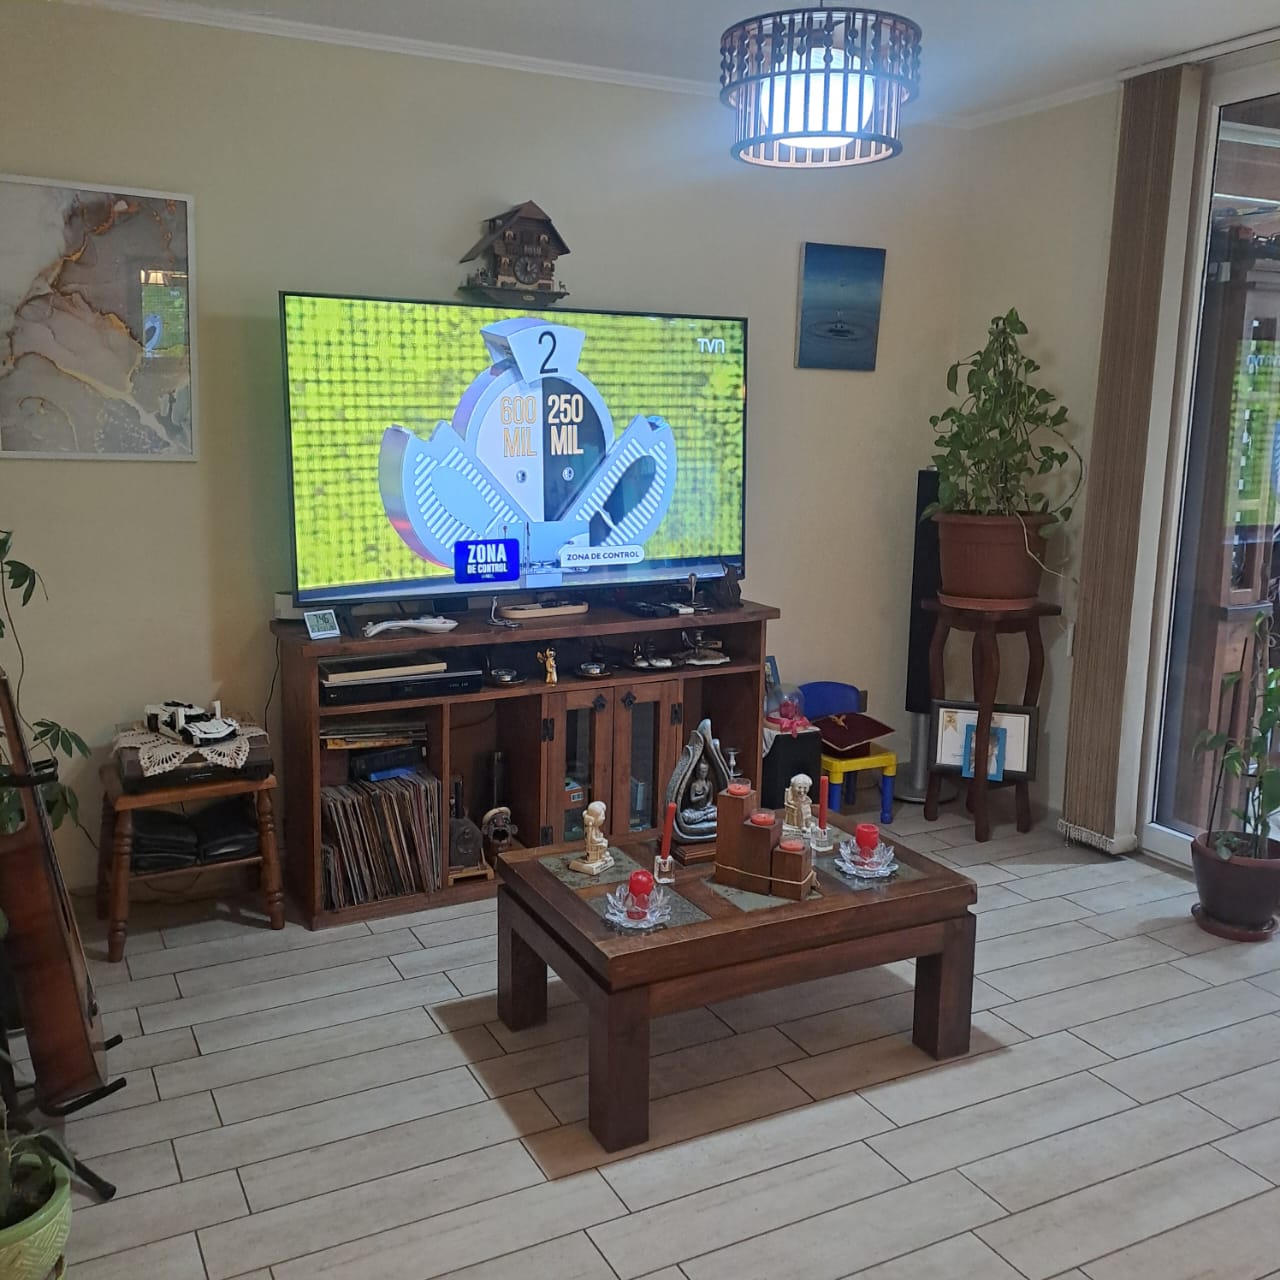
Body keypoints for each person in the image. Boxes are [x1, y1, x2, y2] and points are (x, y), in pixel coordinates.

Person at [681, 758, 716, 823]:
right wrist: (703, 796)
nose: (703, 773)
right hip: (695, 810)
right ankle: (704, 817)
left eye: (705, 771)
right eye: (702, 771)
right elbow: (692, 799)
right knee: (685, 816)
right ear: (698, 771)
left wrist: (708, 805)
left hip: (705, 810)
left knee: (717, 811)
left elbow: (710, 798)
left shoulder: (709, 784)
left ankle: (703, 817)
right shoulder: (694, 785)